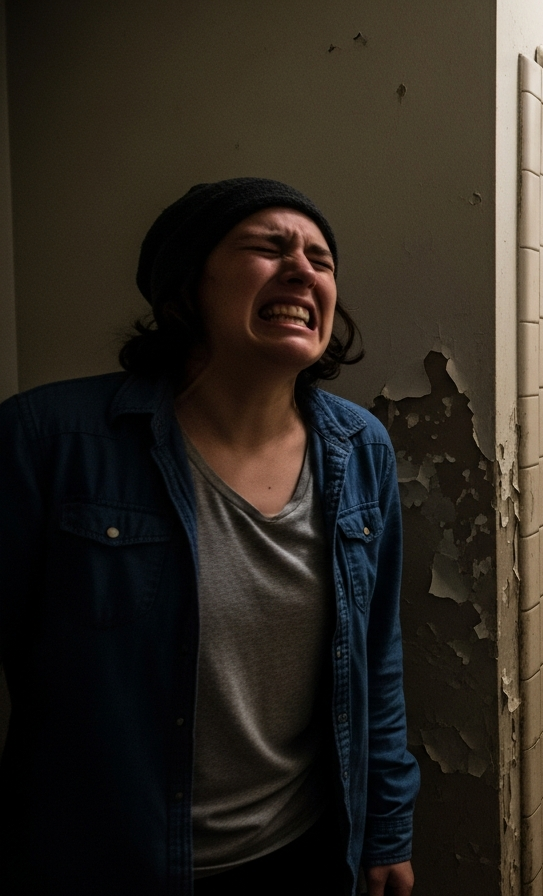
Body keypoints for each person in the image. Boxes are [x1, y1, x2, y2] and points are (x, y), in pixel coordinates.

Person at [0, 178, 419, 894]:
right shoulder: (48, 440)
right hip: (106, 864)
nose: (303, 271)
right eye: (268, 248)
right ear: (185, 287)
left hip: (304, 854)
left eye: (321, 260)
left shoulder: (360, 449)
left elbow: (377, 655)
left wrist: (386, 828)